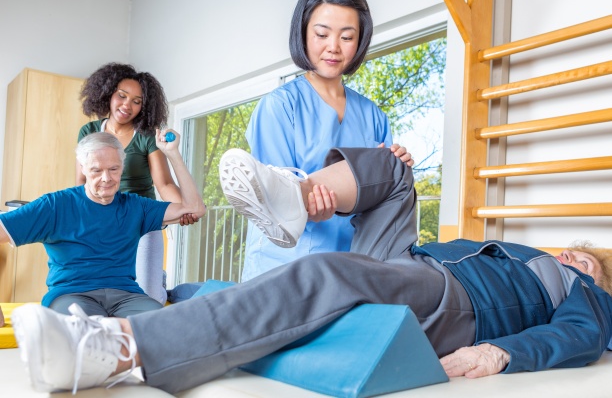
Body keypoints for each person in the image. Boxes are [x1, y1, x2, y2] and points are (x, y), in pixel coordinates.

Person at [11, 147, 612, 395]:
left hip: (457, 301)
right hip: (418, 263)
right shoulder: (519, 250)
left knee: (329, 274)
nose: (572, 260)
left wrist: (502, 353)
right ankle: (294, 199)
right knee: (397, 171)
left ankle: (116, 349)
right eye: (572, 252)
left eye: (585, 262)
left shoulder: (582, 290)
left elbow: (582, 335)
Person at [241, 0, 414, 280]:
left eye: (347, 37)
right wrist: (305, 207)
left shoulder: (373, 116)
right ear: (303, 33)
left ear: (360, 40)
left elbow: (378, 199)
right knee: (283, 193)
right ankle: (298, 197)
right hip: (283, 268)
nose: (333, 47)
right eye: (322, 34)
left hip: (351, 267)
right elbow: (270, 205)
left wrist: (398, 164)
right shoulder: (279, 106)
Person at [0, 131, 205, 320]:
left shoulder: (136, 206)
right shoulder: (54, 205)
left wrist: (173, 153)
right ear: (83, 169)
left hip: (127, 296)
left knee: (166, 324)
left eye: (113, 169)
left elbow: (195, 209)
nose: (106, 178)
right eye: (96, 170)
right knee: (86, 329)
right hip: (70, 295)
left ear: (122, 167)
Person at [77, 62, 199, 305]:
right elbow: (82, 182)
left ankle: (158, 283)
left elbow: (164, 184)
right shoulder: (89, 132)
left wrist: (184, 208)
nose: (127, 105)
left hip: (141, 219)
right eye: (122, 96)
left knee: (149, 298)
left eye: (137, 101)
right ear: (108, 93)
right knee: (101, 292)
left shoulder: (146, 135)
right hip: (103, 220)